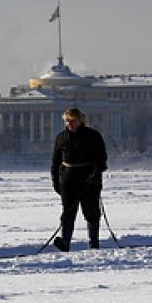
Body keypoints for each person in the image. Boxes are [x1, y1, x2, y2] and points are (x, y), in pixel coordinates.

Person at [51, 108, 108, 251]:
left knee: (92, 213)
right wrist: (56, 182)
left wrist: (94, 176)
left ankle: (93, 244)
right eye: (67, 121)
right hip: (68, 182)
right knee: (68, 213)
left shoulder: (93, 136)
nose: (70, 123)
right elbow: (55, 162)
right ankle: (65, 242)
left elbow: (101, 160)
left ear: (80, 121)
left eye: (73, 120)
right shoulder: (61, 138)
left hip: (89, 183)